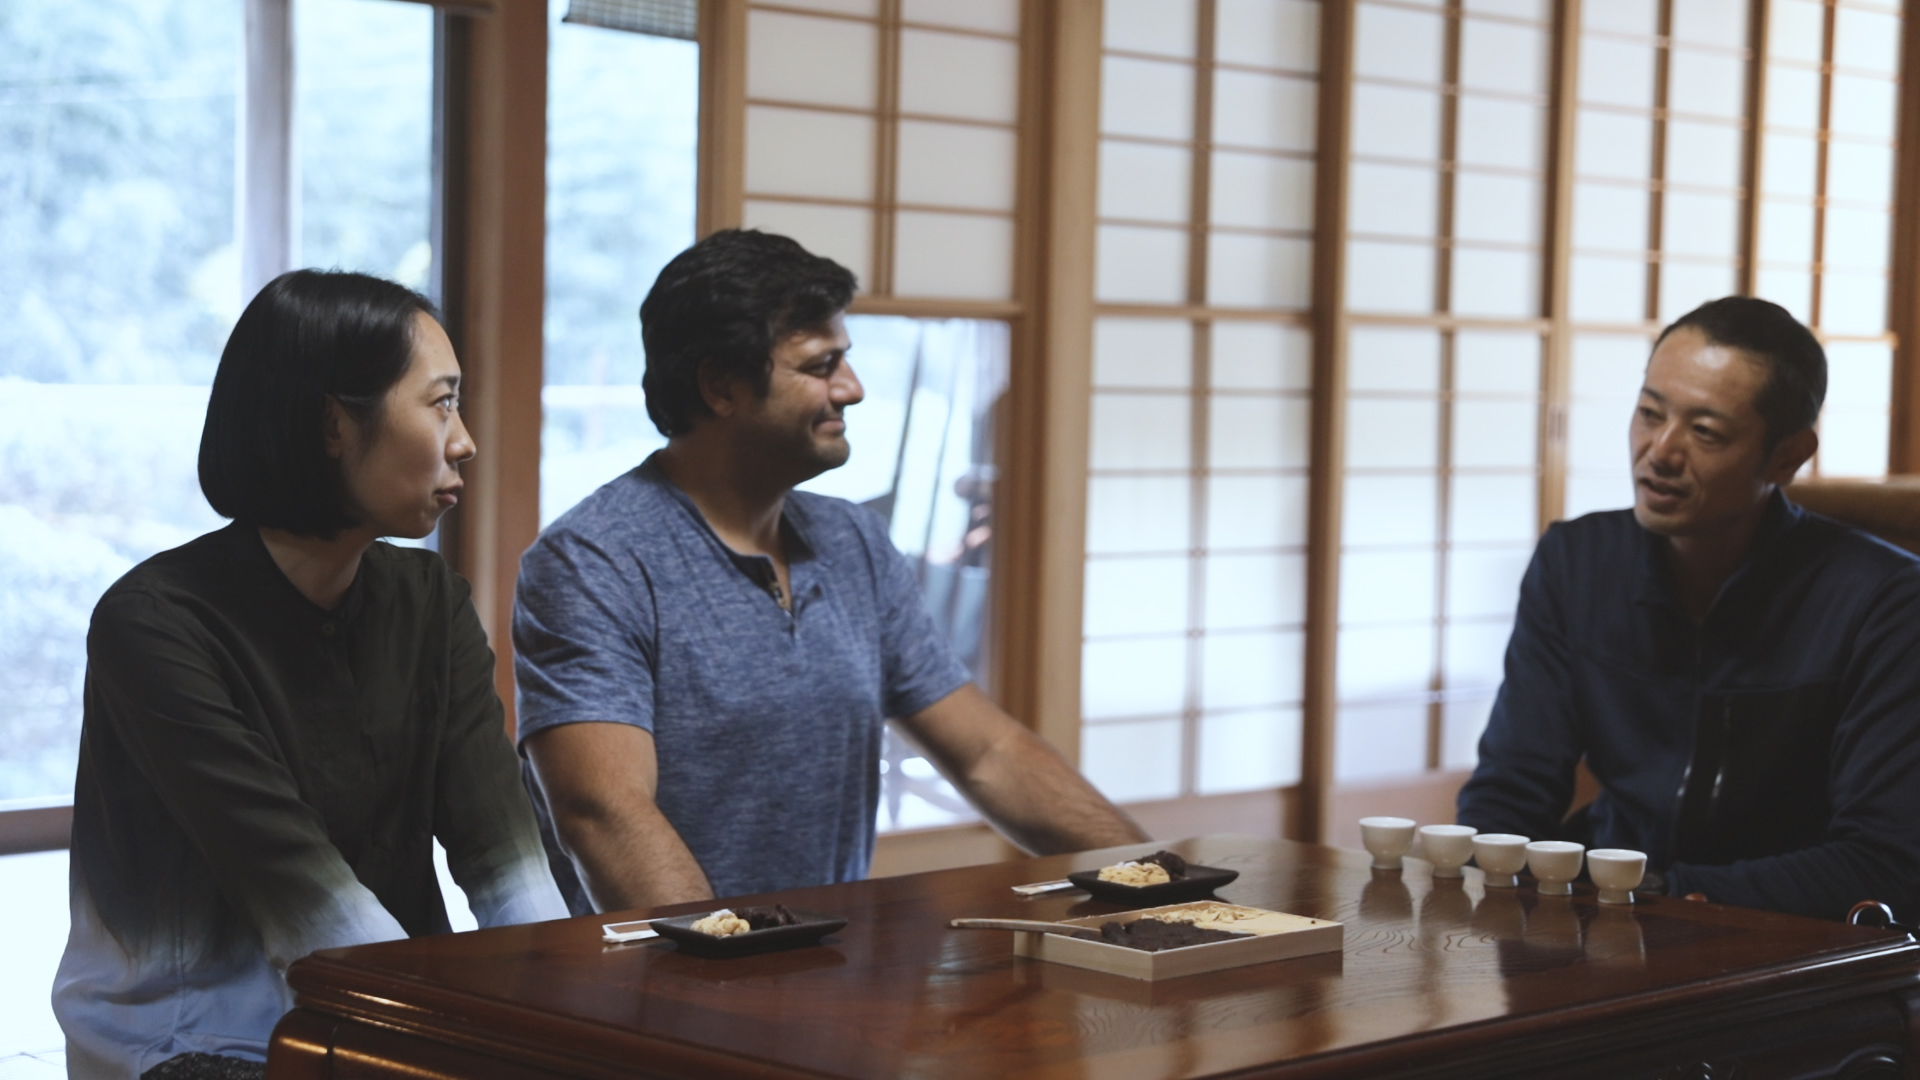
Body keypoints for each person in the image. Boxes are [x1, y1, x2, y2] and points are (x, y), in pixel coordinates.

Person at [513, 229, 1148, 912]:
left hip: (827, 957)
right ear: (720, 387)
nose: (852, 389)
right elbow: (604, 812)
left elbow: (989, 754)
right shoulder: (593, 561)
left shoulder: (853, 541)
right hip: (670, 966)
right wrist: (729, 957)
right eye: (821, 366)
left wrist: (1158, 883)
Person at [55, 271, 568, 1080]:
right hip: (195, 1035)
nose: (464, 440)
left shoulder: (429, 599)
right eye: (441, 404)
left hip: (385, 1004)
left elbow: (506, 859)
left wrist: (569, 1014)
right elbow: (308, 902)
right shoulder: (155, 621)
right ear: (335, 425)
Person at [1457, 295, 1920, 920]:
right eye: (1650, 414)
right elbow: (1511, 790)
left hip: (1783, 938)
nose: (1661, 451)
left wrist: (1655, 894)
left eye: (1705, 432)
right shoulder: (1577, 562)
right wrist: (1481, 889)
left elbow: (1886, 861)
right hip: (1608, 919)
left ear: (1788, 456)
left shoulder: (1883, 602)